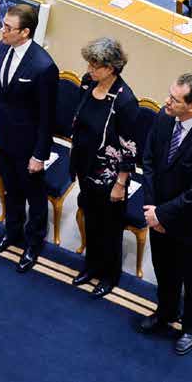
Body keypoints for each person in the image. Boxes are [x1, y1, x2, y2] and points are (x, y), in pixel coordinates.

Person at [138, 73, 192, 356]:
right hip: (157, 214)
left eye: (175, 99)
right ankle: (166, 313)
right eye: (169, 95)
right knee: (163, 270)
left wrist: (162, 214)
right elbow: (149, 159)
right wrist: (153, 210)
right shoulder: (164, 118)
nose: (167, 101)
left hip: (188, 223)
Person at [0, 3, 59, 272]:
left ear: (25, 32)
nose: (2, 31)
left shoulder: (44, 66)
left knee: (34, 196)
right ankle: (11, 232)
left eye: (8, 27)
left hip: (29, 146)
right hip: (4, 137)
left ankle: (33, 243)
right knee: (10, 188)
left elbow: (47, 117)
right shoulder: (2, 48)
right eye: (3, 25)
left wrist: (40, 154)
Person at [70, 37, 138, 298]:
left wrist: (121, 183)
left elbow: (130, 147)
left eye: (95, 66)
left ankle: (110, 275)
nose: (89, 70)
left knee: (109, 227)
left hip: (110, 177)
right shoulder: (88, 83)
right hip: (85, 167)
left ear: (111, 68)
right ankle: (91, 265)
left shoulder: (124, 100)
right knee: (91, 219)